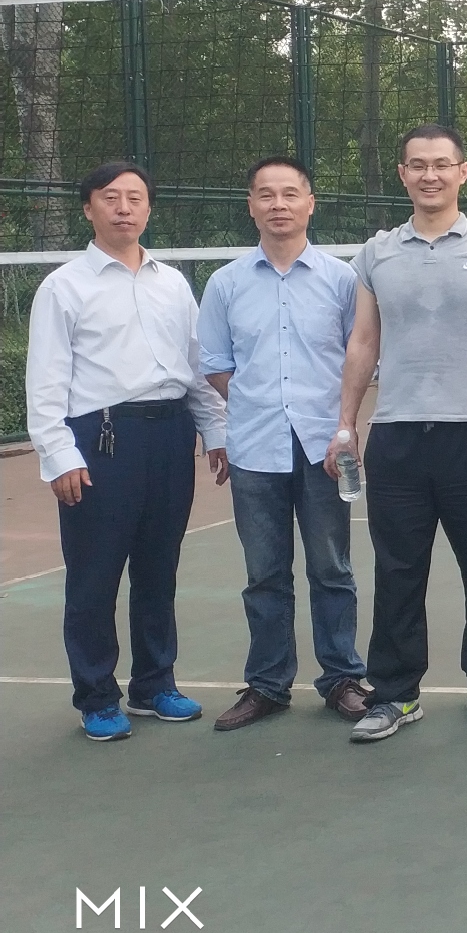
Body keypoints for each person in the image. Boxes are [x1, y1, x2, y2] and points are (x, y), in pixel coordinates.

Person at [330, 124, 467, 743]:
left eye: (442, 164)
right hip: (397, 437)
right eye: (418, 165)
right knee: (398, 570)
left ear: (462, 172)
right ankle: (395, 694)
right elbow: (364, 341)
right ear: (403, 174)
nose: (430, 174)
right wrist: (346, 423)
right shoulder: (376, 254)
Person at [26, 161, 228, 741]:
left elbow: (196, 365)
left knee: (158, 568)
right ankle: (96, 696)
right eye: (110, 197)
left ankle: (153, 685)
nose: (123, 208)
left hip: (170, 436)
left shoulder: (173, 284)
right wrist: (60, 454)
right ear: (87, 208)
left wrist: (215, 431)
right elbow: (45, 381)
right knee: (94, 574)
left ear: (148, 209)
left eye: (135, 198)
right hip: (101, 440)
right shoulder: (64, 287)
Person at [198, 157, 369, 731]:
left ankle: (342, 677)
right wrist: (259, 403)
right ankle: (268, 685)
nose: (278, 204)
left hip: (327, 449)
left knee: (332, 569)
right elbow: (216, 364)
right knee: (264, 575)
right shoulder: (225, 283)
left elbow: (361, 358)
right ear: (251, 205)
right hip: (255, 449)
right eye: (266, 194)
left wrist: (341, 425)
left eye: (290, 193)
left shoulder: (343, 280)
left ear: (310, 203)